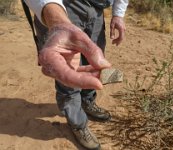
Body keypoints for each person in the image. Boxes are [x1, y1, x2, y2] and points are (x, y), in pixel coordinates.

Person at [24, 0, 128, 149]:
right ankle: (77, 123)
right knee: (69, 76)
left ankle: (87, 102)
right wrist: (57, 19)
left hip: (98, 9)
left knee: (93, 64)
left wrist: (118, 14)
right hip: (64, 6)